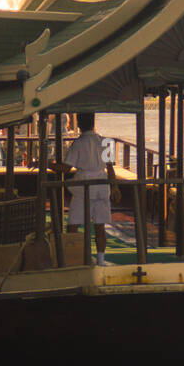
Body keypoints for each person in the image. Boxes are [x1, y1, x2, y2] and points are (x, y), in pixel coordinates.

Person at [64, 112, 114, 265]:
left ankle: (75, 257)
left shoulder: (78, 143)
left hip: (83, 187)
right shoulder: (105, 141)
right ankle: (100, 260)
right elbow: (110, 169)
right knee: (100, 226)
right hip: (102, 185)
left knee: (73, 225)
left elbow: (66, 168)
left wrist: (45, 164)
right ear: (93, 123)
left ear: (79, 124)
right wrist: (116, 187)